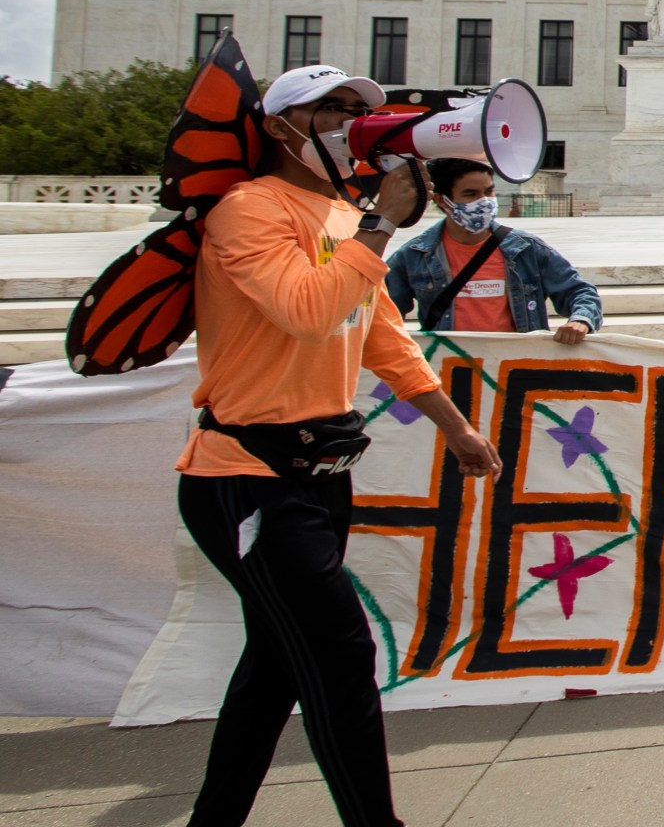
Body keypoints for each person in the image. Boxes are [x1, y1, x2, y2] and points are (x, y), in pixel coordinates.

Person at [179, 64, 498, 827]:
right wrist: (382, 227)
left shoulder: (334, 217)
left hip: (317, 473)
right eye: (336, 109)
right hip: (247, 475)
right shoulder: (249, 210)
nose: (354, 122)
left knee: (277, 665)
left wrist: (455, 430)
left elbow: (383, 339)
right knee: (340, 656)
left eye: (361, 110)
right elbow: (307, 311)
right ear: (285, 124)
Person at [386, 158, 603, 343]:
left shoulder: (527, 249)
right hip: (448, 371)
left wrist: (581, 320)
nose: (484, 202)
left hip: (516, 370)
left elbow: (579, 292)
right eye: (470, 194)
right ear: (442, 200)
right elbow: (382, 312)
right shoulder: (414, 256)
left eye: (489, 191)